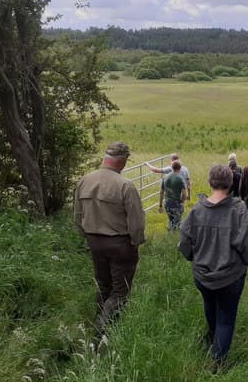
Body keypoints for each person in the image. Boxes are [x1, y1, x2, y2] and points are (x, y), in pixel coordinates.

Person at [179, 165, 248, 367]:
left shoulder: (196, 210)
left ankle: (213, 340)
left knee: (210, 305)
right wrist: (247, 261)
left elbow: (185, 242)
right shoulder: (239, 210)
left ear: (209, 181)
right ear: (232, 183)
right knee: (226, 319)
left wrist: (192, 258)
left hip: (202, 275)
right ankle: (218, 361)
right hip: (231, 275)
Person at [74, 142, 146, 334]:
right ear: (122, 162)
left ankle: (100, 322)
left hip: (94, 242)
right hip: (120, 244)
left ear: (105, 158)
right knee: (120, 291)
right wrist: (135, 242)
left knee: (104, 285)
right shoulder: (125, 185)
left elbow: (77, 216)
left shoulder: (84, 180)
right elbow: (137, 221)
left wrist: (88, 236)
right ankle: (102, 330)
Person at [159, 161, 187, 230]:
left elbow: (161, 192)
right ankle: (174, 237)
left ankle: (170, 234)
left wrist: (160, 205)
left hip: (167, 204)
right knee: (177, 223)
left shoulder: (165, 177)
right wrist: (182, 202)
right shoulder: (180, 179)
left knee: (171, 221)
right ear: (180, 168)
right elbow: (184, 193)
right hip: (176, 204)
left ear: (172, 168)